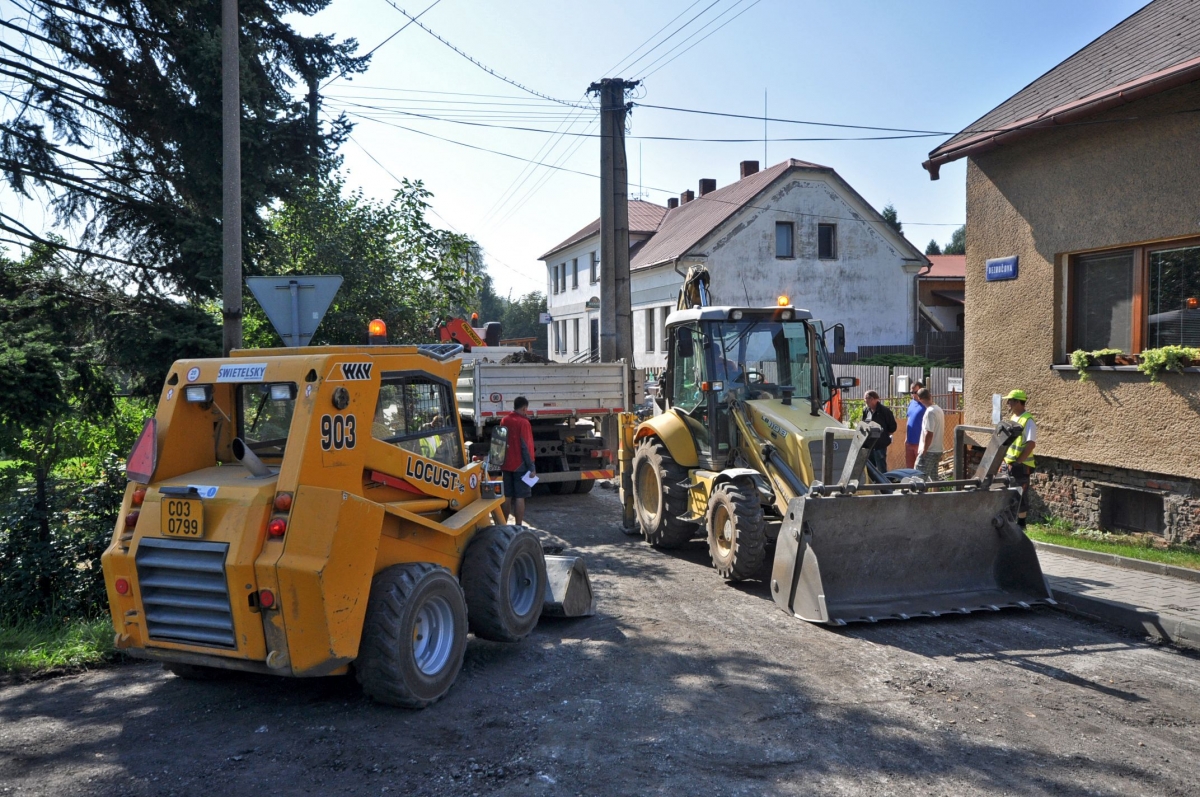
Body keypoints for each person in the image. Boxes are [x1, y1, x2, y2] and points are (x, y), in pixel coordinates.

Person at [1002, 389, 1037, 528]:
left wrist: (1018, 462)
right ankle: (1010, 524)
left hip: (1020, 465)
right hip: (1009, 463)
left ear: (1018, 402)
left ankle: (1021, 525)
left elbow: (1031, 444)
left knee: (1019, 495)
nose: (1007, 404)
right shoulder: (1014, 419)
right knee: (1008, 495)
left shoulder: (1028, 420)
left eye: (1010, 401)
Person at [500, 396, 536, 527]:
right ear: (524, 408)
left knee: (507, 496)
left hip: (506, 464)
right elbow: (526, 446)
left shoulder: (504, 420)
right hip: (520, 466)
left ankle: (502, 525)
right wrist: (531, 466)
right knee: (520, 497)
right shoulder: (524, 423)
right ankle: (518, 525)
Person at [862, 390, 897, 475]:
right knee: (870, 469)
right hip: (869, 445)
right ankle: (872, 487)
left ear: (874, 399)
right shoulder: (866, 411)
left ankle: (884, 487)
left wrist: (884, 436)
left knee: (881, 469)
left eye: (867, 398)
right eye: (865, 399)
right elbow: (863, 424)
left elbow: (892, 427)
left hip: (880, 445)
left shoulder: (885, 411)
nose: (866, 401)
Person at [915, 387, 944, 481]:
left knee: (918, 478)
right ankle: (935, 495)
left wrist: (924, 450)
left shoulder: (930, 412)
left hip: (929, 451)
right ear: (930, 396)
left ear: (919, 399)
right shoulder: (939, 409)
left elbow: (929, 433)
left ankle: (919, 496)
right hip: (937, 450)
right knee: (933, 479)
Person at [904, 380, 927, 469]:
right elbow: (909, 420)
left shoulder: (926, 405)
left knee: (919, 468)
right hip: (909, 442)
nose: (913, 395)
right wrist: (906, 437)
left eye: (915, 392)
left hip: (920, 443)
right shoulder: (911, 403)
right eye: (911, 392)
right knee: (909, 468)